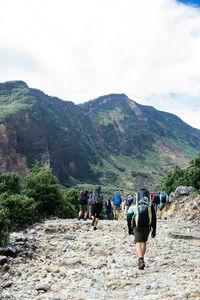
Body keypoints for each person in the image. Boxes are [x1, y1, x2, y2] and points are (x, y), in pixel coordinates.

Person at [127, 188, 156, 270]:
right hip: (147, 225)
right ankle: (141, 259)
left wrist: (129, 228)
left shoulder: (134, 203)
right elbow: (154, 218)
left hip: (137, 225)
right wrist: (154, 229)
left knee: (137, 242)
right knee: (143, 242)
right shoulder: (150, 204)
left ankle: (140, 260)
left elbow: (128, 216)